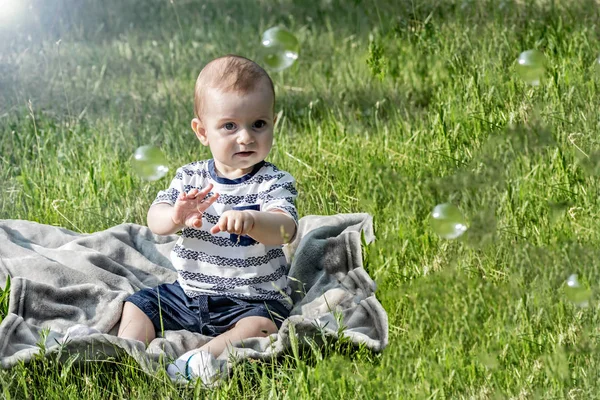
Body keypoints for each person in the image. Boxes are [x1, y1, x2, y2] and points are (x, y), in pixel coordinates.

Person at [117, 54, 298, 385]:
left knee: (267, 323)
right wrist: (174, 217)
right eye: (230, 126)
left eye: (258, 124)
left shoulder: (274, 181)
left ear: (273, 122)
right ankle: (127, 352)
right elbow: (154, 219)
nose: (245, 137)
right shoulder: (190, 178)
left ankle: (201, 358)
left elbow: (285, 229)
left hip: (252, 298)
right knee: (138, 304)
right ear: (202, 132)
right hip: (189, 293)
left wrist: (255, 221)